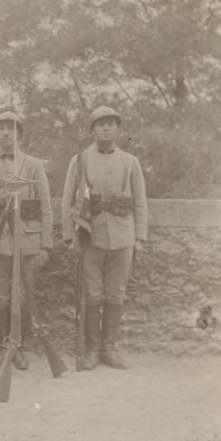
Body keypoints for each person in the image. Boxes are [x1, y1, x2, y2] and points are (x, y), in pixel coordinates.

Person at [61, 106, 147, 370]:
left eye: (111, 124)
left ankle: (109, 347)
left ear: (118, 129)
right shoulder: (80, 160)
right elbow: (67, 201)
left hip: (123, 236)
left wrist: (140, 238)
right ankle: (91, 349)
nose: (106, 128)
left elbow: (140, 203)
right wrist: (69, 237)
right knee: (92, 294)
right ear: (92, 129)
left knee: (116, 293)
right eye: (100, 124)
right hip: (91, 235)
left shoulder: (130, 162)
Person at [0, 111, 53, 370]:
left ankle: (18, 347)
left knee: (24, 296)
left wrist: (46, 244)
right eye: (1, 128)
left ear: (19, 133)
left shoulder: (33, 165)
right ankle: (3, 346)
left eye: (12, 128)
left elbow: (45, 206)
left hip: (27, 241)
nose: (6, 133)